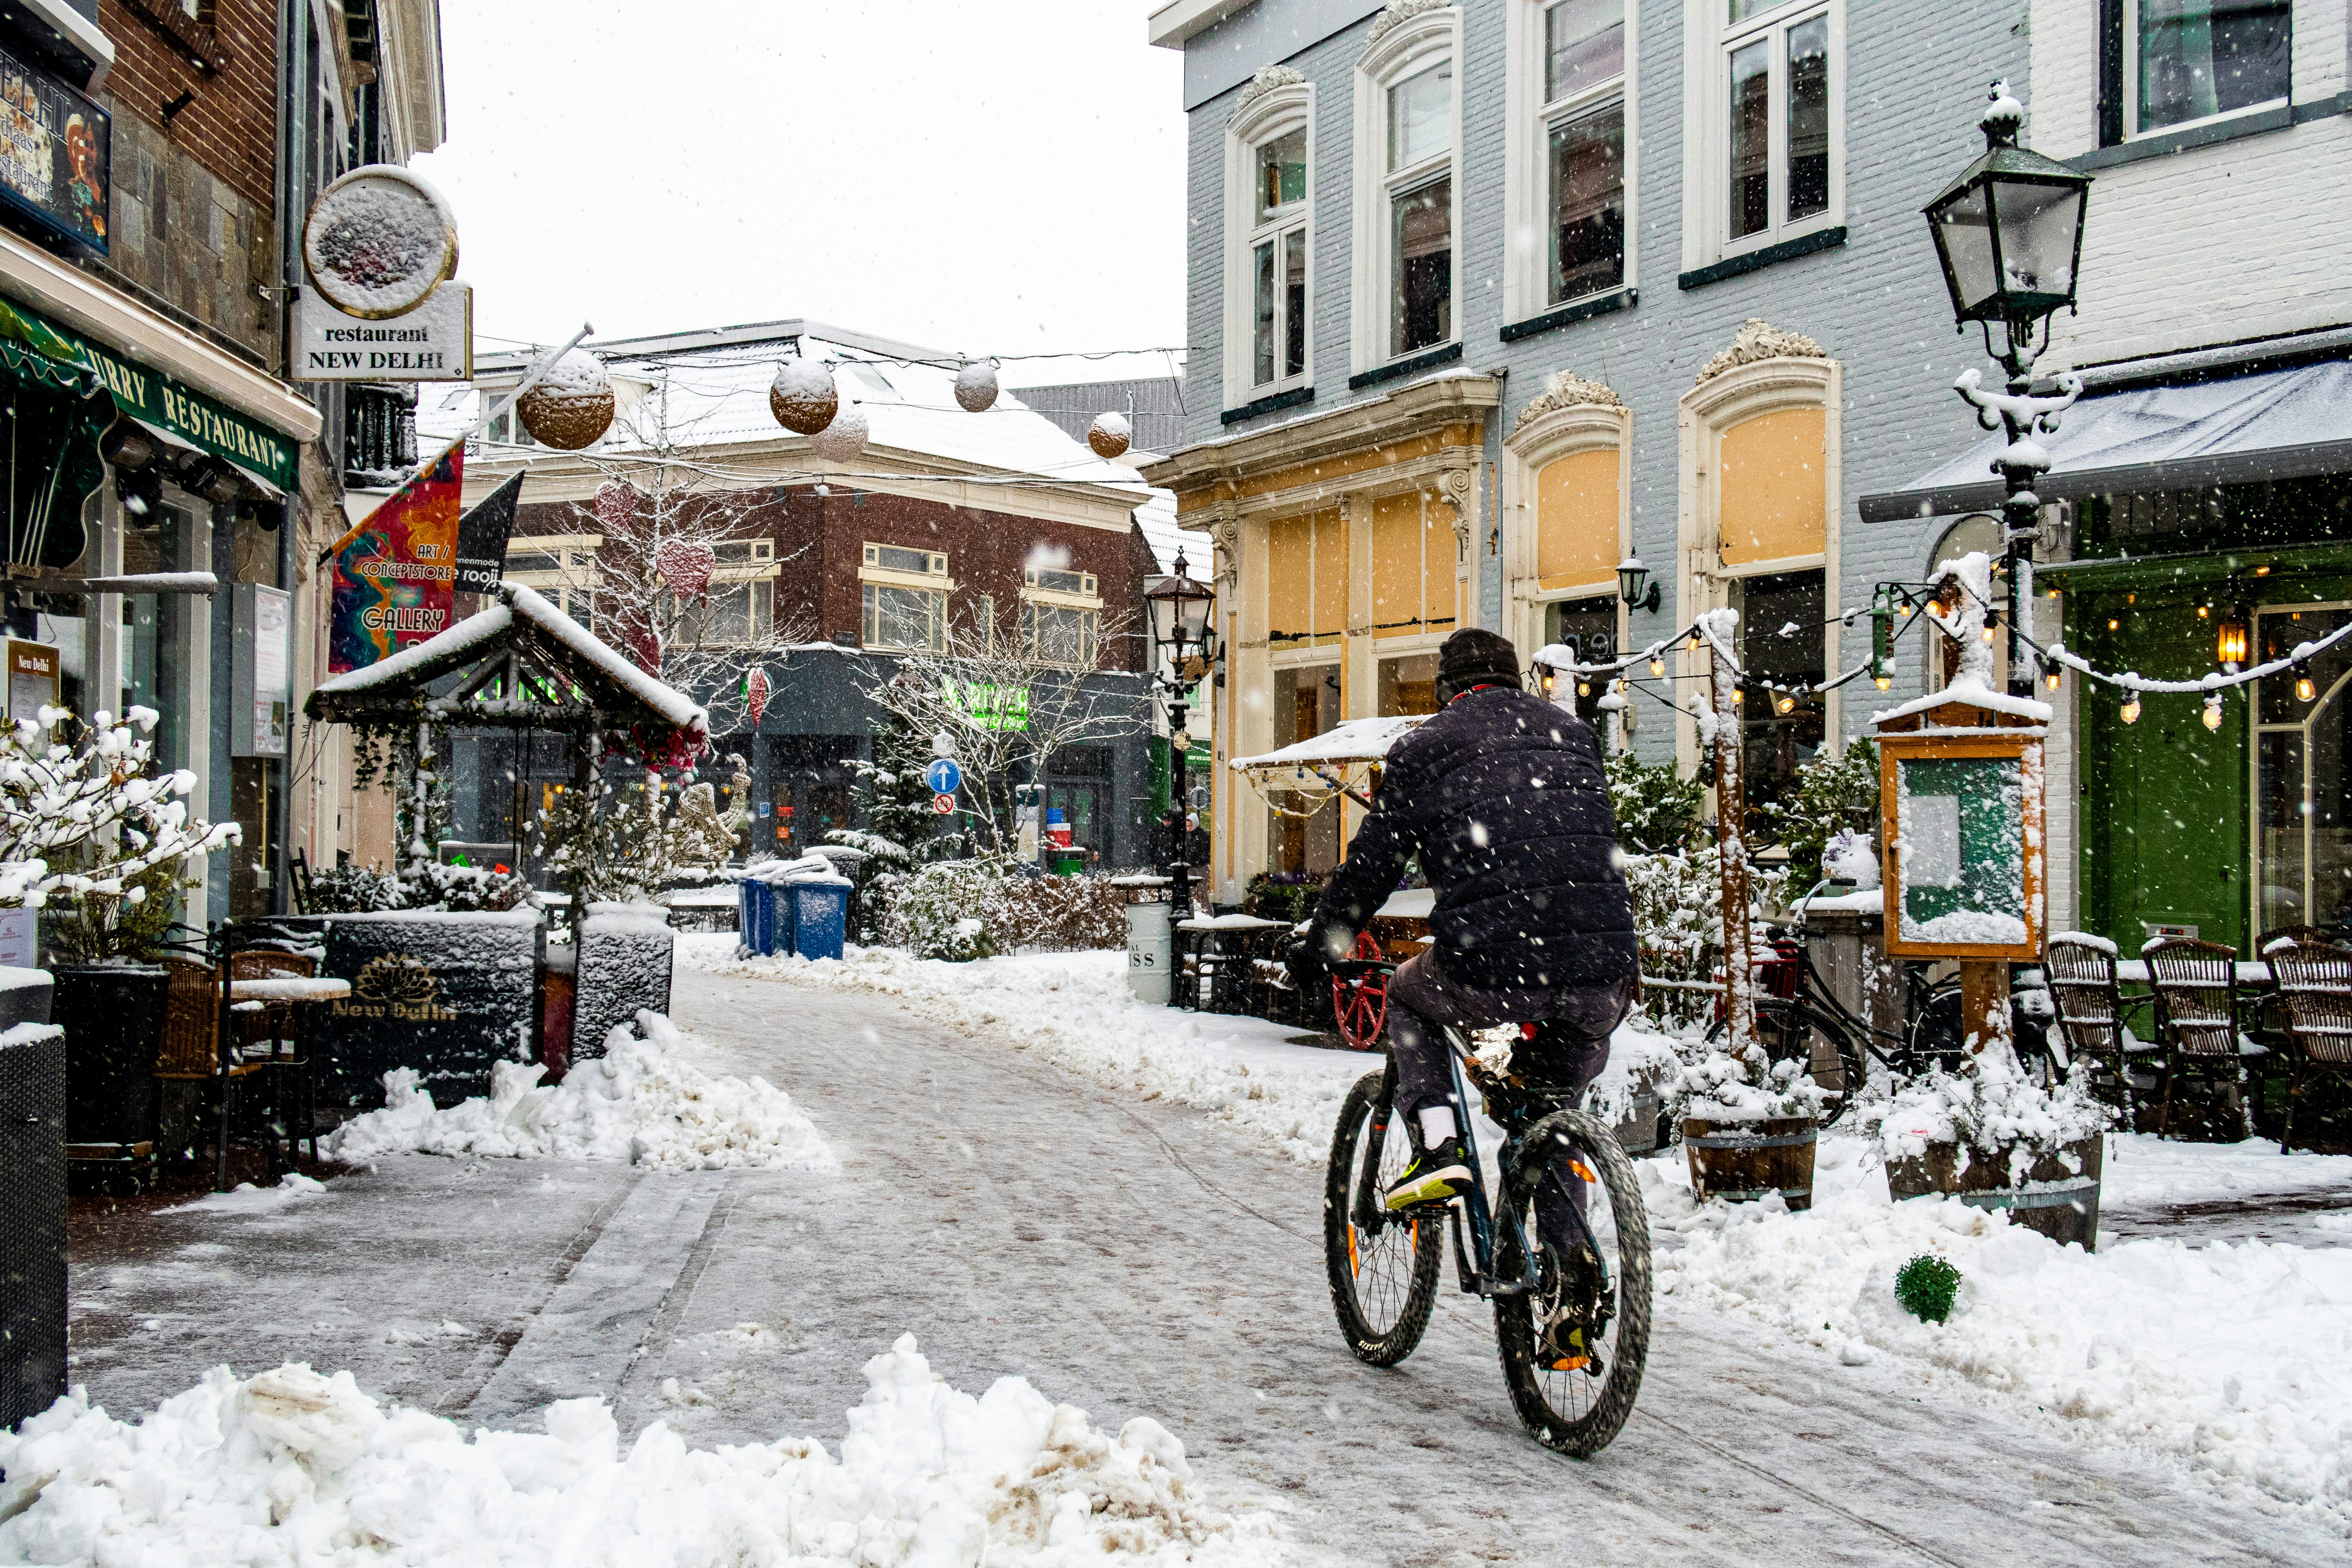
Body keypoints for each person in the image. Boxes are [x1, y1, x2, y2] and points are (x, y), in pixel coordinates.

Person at [1289, 626, 1638, 1219]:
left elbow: (1372, 869)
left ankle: (1436, 1144)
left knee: (1406, 995)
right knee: (1546, 1120)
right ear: (1516, 680)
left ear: (1446, 689)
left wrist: (1319, 949)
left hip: (1492, 964)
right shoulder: (1574, 736)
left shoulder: (1425, 747)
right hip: (1603, 976)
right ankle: (1571, 1283)